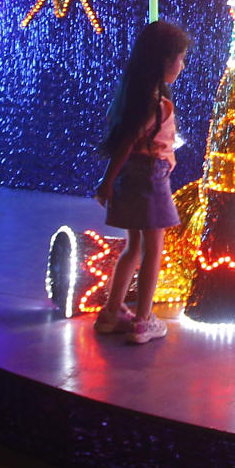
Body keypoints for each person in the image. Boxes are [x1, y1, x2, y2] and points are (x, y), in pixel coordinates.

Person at [93, 20, 190, 344]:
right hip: (150, 179)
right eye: (180, 57)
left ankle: (112, 312)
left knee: (134, 247)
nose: (183, 64)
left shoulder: (133, 95)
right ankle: (143, 320)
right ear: (165, 61)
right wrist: (106, 182)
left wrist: (112, 180)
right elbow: (128, 143)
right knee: (153, 250)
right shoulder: (155, 104)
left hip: (130, 178)